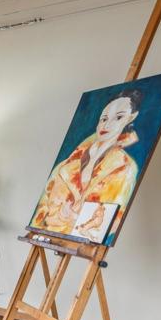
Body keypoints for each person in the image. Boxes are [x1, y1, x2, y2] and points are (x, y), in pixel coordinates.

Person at [33, 89, 142, 239]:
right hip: (48, 234)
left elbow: (112, 220)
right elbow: (42, 206)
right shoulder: (67, 164)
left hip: (81, 236)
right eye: (104, 119)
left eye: (118, 117)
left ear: (131, 118)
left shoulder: (124, 167)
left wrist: (73, 219)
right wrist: (53, 218)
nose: (107, 125)